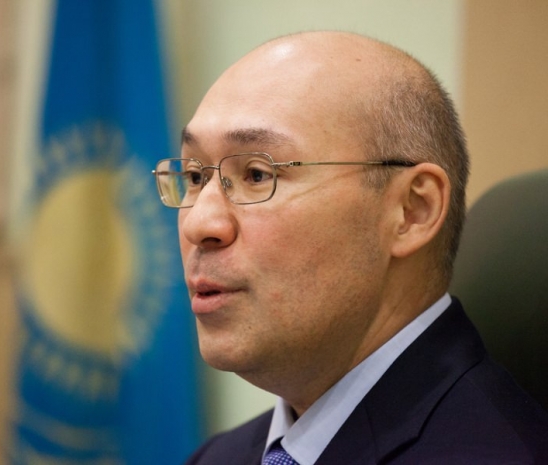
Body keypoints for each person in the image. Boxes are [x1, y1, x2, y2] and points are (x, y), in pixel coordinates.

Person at [152, 31, 548, 464]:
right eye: (195, 177)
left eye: (258, 174)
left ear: (412, 210)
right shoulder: (216, 457)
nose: (199, 223)